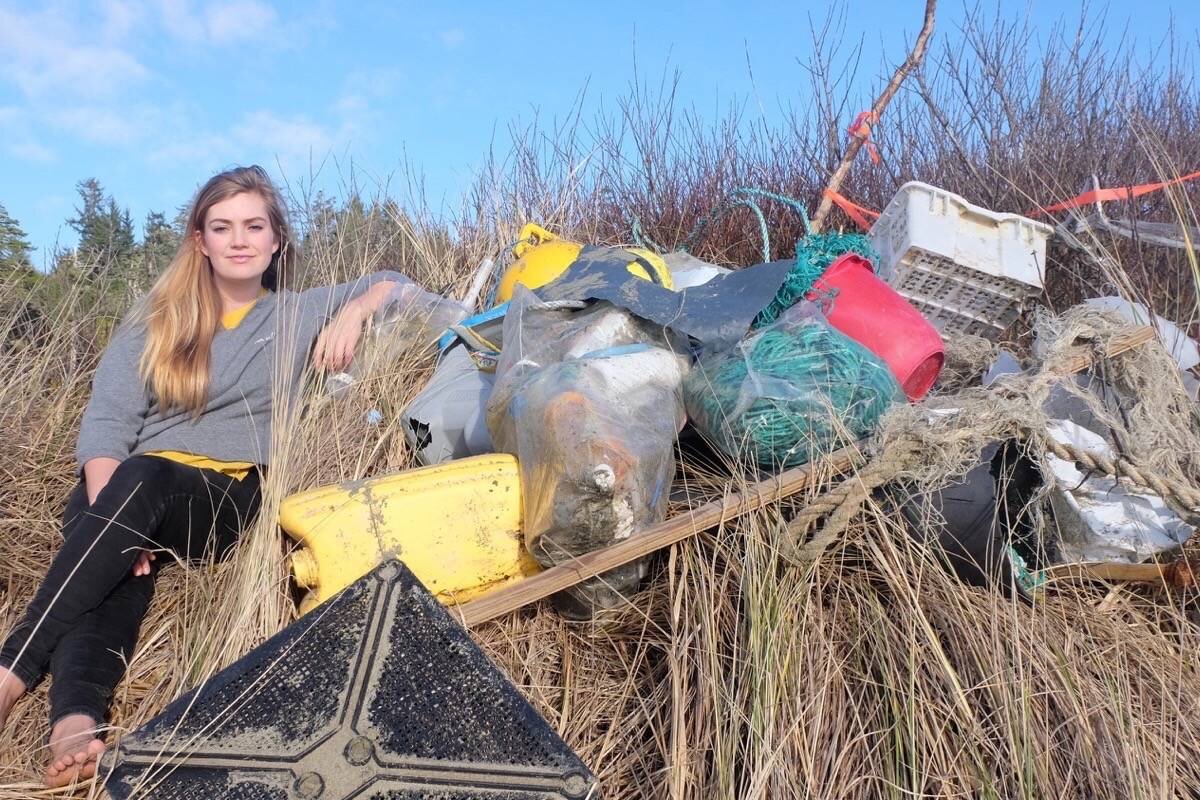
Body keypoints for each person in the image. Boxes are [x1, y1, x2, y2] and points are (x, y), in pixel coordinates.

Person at [0, 165, 405, 787]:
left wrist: (354, 311)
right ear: (200, 240)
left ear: (277, 241)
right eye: (222, 227)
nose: (238, 240)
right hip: (128, 484)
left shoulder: (297, 313)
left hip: (220, 497)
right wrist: (115, 512)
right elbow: (107, 423)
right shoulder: (156, 317)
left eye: (253, 226)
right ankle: (76, 726)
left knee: (135, 491)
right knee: (109, 560)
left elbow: (393, 281)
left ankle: (11, 673)